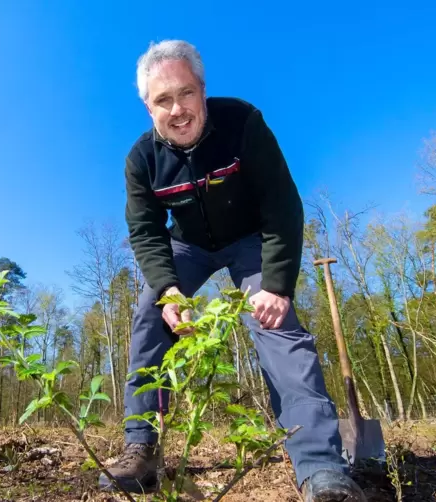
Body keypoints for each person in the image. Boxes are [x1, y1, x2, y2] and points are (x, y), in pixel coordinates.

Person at [98, 40, 366, 502]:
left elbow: (282, 205)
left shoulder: (243, 122)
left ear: (203, 91)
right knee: (149, 312)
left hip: (249, 240)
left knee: (276, 325)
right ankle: (140, 448)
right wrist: (168, 291)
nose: (177, 110)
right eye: (163, 100)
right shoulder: (141, 159)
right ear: (148, 106)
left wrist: (278, 286)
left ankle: (321, 467)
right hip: (188, 246)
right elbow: (146, 232)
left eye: (186, 94)